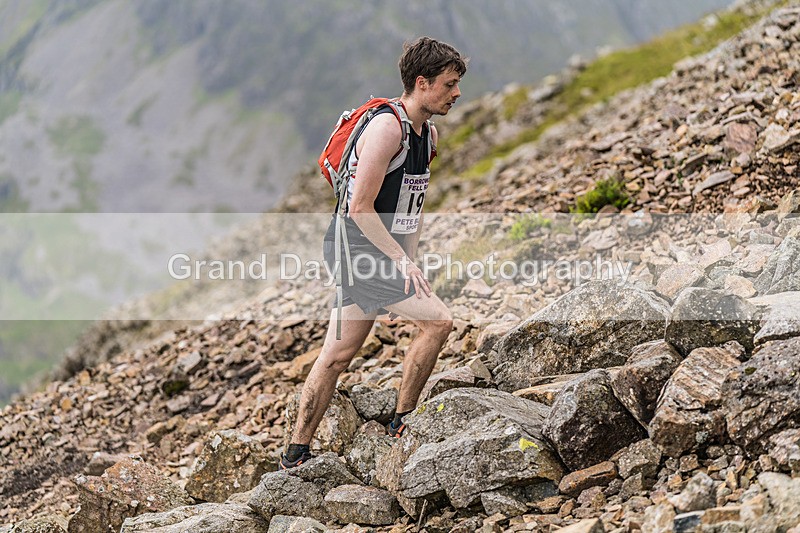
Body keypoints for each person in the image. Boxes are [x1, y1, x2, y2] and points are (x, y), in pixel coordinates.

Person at [281, 37, 467, 469]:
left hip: (375, 251)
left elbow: (410, 209)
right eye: (449, 84)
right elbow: (359, 207)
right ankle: (402, 424)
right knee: (438, 322)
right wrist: (399, 263)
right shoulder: (388, 130)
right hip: (357, 248)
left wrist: (410, 263)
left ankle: (295, 453)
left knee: (337, 355)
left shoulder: (428, 133)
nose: (457, 93)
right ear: (422, 83)